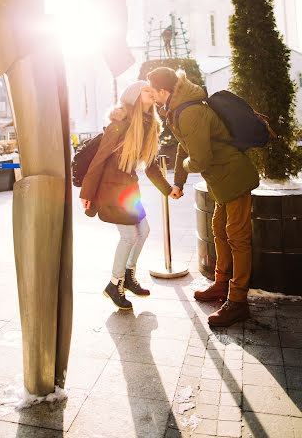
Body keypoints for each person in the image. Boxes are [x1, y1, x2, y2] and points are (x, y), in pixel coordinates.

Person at [147, 67, 259, 327]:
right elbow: (183, 147)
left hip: (234, 177)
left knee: (238, 238)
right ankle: (221, 285)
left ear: (164, 91)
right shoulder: (178, 109)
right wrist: (178, 182)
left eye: (153, 92)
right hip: (221, 181)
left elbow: (198, 159)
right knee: (219, 230)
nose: (152, 97)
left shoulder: (189, 111)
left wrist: (186, 167)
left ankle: (238, 301)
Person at [80, 80, 174, 310]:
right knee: (129, 236)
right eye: (147, 90)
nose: (152, 93)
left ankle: (129, 276)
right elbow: (99, 159)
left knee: (144, 231)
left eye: (153, 90)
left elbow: (151, 164)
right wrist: (87, 194)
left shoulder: (148, 123)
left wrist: (168, 189)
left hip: (128, 189)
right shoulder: (120, 124)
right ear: (134, 95)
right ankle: (114, 284)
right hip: (110, 189)